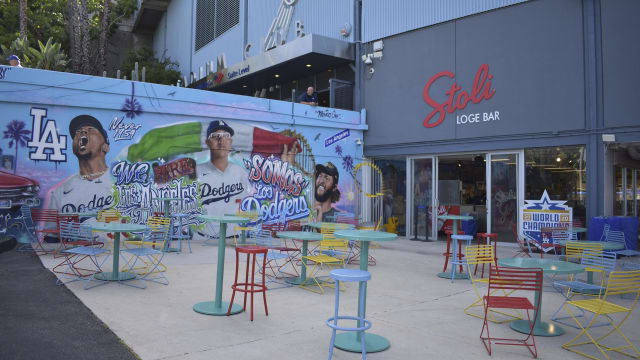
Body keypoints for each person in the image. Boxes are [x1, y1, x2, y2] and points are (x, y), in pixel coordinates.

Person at [48, 115, 115, 226]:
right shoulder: (60, 192)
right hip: (73, 243)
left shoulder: (119, 183)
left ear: (105, 147)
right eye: (78, 132)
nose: (82, 132)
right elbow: (51, 238)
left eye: (90, 130)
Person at [197, 120, 251, 236]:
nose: (221, 141)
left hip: (233, 238)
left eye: (226, 136)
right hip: (202, 239)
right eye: (215, 136)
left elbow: (247, 202)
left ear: (230, 141)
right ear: (208, 142)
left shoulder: (240, 172)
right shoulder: (196, 171)